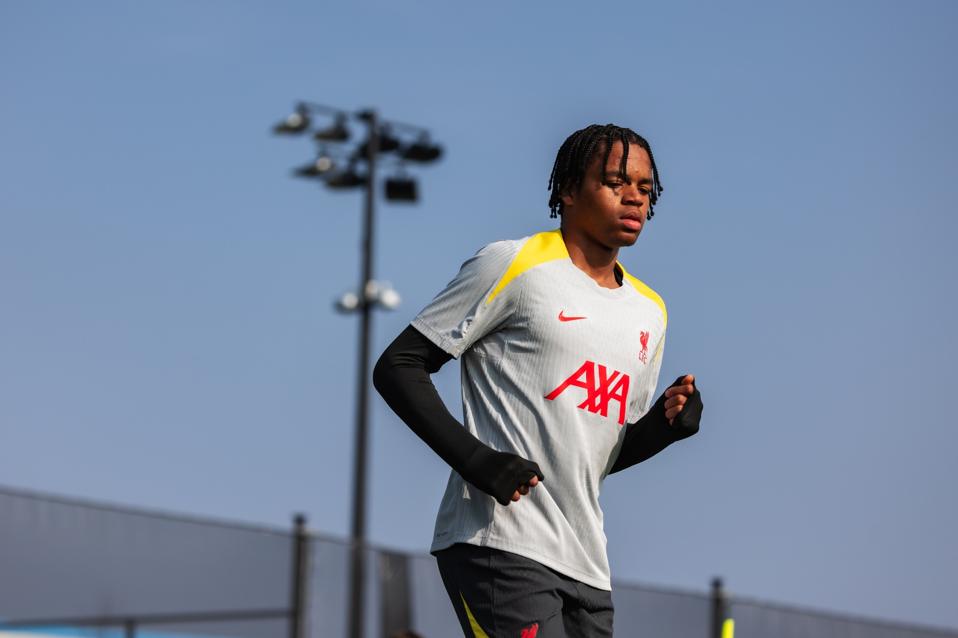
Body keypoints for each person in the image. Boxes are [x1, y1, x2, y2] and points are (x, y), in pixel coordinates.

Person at [373, 123, 703, 637]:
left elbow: (598, 452)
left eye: (644, 186)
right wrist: (478, 461)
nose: (633, 196)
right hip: (498, 542)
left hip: (588, 564)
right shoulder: (514, 264)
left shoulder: (650, 312)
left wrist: (664, 427)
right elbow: (398, 366)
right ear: (569, 190)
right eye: (615, 181)